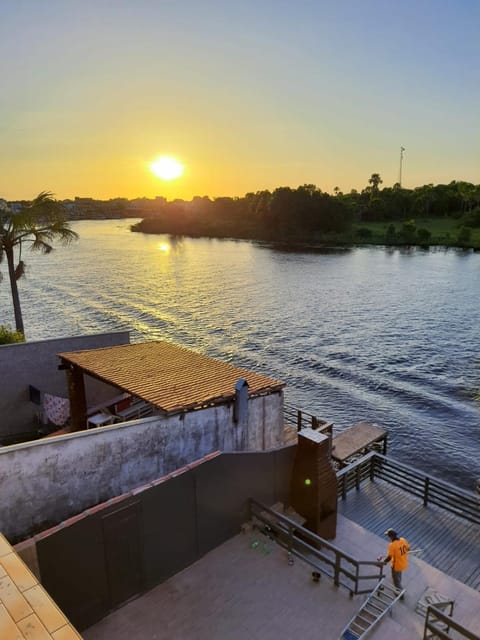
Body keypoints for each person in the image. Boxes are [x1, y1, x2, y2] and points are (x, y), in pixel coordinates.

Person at [379, 528, 410, 592]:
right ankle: (399, 583)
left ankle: (400, 593)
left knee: (396, 580)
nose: (388, 537)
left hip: (396, 565)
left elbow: (389, 557)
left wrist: (383, 562)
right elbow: (408, 549)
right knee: (399, 575)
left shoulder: (392, 545)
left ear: (391, 536)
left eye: (388, 535)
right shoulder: (403, 540)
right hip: (403, 562)